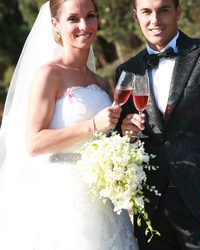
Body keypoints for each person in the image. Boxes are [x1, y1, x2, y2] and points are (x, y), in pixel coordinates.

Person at [0, 0, 139, 249]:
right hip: (62, 199)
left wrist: (126, 135)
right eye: (73, 18)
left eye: (90, 16)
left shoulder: (102, 83)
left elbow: (106, 141)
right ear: (56, 24)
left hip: (102, 199)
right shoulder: (49, 75)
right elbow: (33, 143)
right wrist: (92, 125)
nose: (84, 25)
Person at [116, 0, 200, 249]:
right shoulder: (127, 70)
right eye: (146, 12)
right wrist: (126, 133)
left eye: (163, 10)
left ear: (178, 11)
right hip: (152, 215)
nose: (154, 20)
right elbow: (126, 139)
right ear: (136, 16)